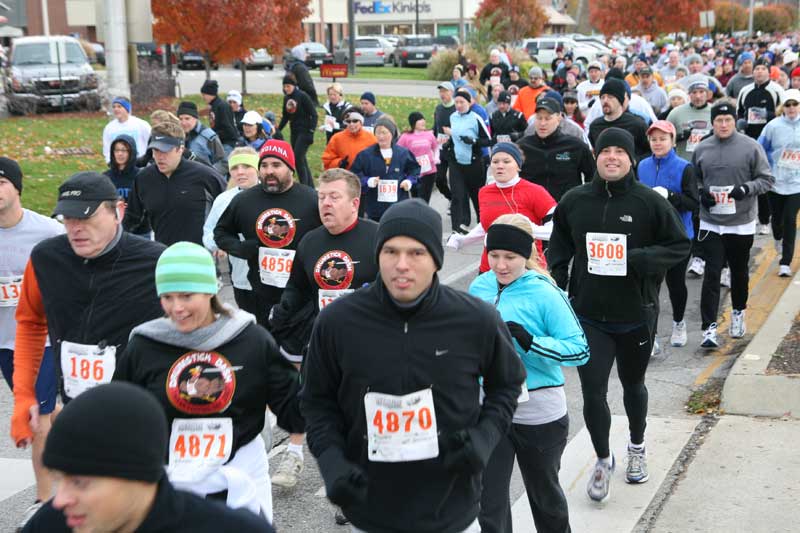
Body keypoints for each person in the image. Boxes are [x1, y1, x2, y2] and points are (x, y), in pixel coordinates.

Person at [301, 199, 526, 533]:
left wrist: (485, 437)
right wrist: (332, 461)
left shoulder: (476, 319)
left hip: (452, 510)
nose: (401, 264)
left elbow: (507, 386)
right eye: (390, 251)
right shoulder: (337, 322)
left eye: (416, 253)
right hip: (370, 512)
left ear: (436, 259)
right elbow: (316, 401)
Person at [548, 128, 690, 502]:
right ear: (596, 157)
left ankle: (637, 448)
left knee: (633, 386)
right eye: (605, 151)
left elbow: (678, 245)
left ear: (630, 159)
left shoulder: (648, 202)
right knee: (593, 392)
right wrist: (558, 280)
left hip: (635, 313)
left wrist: (639, 260)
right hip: (589, 314)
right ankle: (602, 458)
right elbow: (559, 242)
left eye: (619, 151)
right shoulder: (575, 200)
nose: (612, 157)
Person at [114, 241, 304, 520]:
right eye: (167, 297)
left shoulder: (250, 339)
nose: (177, 308)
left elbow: (292, 409)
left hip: (240, 477)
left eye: (187, 296)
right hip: (168, 479)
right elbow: (120, 414)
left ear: (211, 290)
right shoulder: (145, 345)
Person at [11, 172, 165, 450]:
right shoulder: (46, 258)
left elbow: (199, 326)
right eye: (68, 218)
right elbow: (31, 324)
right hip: (78, 405)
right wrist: (24, 396)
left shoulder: (158, 261)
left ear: (117, 211)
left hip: (142, 410)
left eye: (85, 217)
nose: (75, 228)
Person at [22, 382, 275, 533]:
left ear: (139, 475)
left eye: (79, 482)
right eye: (61, 479)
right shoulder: (50, 525)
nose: (59, 500)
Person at [470, 214, 589, 533]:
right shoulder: (479, 286)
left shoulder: (546, 293)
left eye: (510, 257)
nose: (501, 264)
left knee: (546, 500)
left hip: (538, 413)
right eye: (494, 255)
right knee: (487, 504)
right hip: (490, 410)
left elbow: (579, 350)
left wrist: (530, 341)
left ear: (527, 255)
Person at [0, 157, 65, 529]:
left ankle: (44, 502)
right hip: (4, 343)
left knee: (36, 418)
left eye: (1, 182)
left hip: (42, 340)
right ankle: (80, 444)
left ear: (16, 187)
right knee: (50, 413)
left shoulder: (45, 232)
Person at [693, 101, 774, 348]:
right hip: (711, 222)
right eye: (719, 120)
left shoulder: (751, 146)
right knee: (711, 274)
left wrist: (745, 189)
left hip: (740, 222)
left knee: (739, 273)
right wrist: (701, 194)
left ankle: (738, 311)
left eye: (728, 120)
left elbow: (767, 180)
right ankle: (709, 329)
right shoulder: (702, 148)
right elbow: (695, 179)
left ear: (735, 121)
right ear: (713, 122)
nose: (724, 125)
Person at [214, 139, 321, 329]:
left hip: (303, 295)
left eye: (276, 165)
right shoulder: (244, 200)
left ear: (291, 168)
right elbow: (221, 232)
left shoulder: (311, 200)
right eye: (264, 165)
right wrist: (239, 248)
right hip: (259, 293)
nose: (269, 171)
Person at [448, 142, 556, 272]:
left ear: (518, 166)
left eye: (506, 161)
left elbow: (557, 229)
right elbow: (486, 225)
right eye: (495, 161)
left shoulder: (535, 191)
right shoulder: (484, 192)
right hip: (489, 268)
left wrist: (529, 230)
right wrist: (464, 240)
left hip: (526, 268)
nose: (500, 166)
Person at [638, 121, 699, 349]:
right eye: (654, 139)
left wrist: (670, 196)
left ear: (672, 141)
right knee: (649, 287)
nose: (657, 143)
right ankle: (650, 334)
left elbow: (693, 202)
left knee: (675, 284)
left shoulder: (685, 167)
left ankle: (679, 323)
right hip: (651, 236)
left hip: (678, 235)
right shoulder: (642, 165)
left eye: (663, 138)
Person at [123, 121, 225, 246]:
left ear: (180, 149)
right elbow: (132, 218)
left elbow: (229, 207)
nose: (159, 157)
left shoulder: (205, 175)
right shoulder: (143, 178)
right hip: (163, 255)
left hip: (201, 254)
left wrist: (223, 241)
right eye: (155, 150)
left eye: (165, 151)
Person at [203, 147, 260, 314]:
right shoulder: (224, 200)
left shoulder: (272, 195)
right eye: (235, 168)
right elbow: (209, 233)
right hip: (241, 278)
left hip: (274, 278)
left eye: (246, 166)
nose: (240, 172)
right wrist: (223, 244)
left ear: (257, 168)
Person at [738, 58, 785, 234]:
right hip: (749, 141)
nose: (759, 71)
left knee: (767, 180)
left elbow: (784, 113)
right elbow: (739, 114)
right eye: (756, 68)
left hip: (771, 144)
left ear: (768, 71)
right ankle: (756, 217)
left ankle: (767, 219)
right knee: (749, 179)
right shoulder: (745, 91)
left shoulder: (777, 90)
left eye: (762, 68)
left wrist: (765, 114)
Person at [518, 96, 595, 202]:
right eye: (539, 118)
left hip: (566, 208)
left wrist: (584, 200)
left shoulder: (575, 146)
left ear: (559, 118)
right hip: (532, 208)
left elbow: (592, 176)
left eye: (548, 118)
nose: (542, 123)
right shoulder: (522, 146)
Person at [759, 88, 800, 277]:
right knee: (777, 219)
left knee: (790, 219)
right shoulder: (773, 126)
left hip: (797, 183)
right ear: (782, 107)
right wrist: (768, 166)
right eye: (788, 105)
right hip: (776, 181)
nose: (791, 108)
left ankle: (786, 262)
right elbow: (760, 148)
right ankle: (777, 237)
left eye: (795, 104)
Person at [353, 117, 420, 221]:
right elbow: (355, 174)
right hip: (374, 207)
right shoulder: (365, 155)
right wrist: (367, 181)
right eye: (378, 133)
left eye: (384, 132)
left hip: (398, 205)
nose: (381, 136)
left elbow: (414, 170)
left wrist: (409, 181)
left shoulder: (403, 153)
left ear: (392, 134)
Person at [447, 90, 491, 234]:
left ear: (469, 103)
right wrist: (447, 144)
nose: (458, 105)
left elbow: (488, 141)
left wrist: (474, 141)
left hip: (474, 163)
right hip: (456, 162)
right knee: (457, 195)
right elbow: (453, 136)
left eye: (462, 102)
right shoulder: (452, 117)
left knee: (476, 195)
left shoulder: (476, 118)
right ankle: (456, 228)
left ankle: (482, 224)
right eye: (456, 102)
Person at [588, 78, 650, 161]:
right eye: (602, 97)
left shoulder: (637, 124)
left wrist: (634, 161)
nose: (605, 101)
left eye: (610, 97)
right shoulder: (595, 126)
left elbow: (650, 152)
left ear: (620, 100)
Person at [103, 133, 150, 237]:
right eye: (117, 150)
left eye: (124, 150)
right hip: (113, 230)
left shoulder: (141, 176)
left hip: (140, 232)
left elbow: (147, 206)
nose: (120, 154)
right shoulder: (106, 177)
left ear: (131, 152)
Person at [277, 76, 318, 189]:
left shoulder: (302, 96)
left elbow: (314, 114)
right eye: (284, 86)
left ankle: (303, 186)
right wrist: (277, 129)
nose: (286, 88)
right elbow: (285, 117)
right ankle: (310, 186)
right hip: (294, 131)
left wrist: (311, 131)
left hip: (305, 131)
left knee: (297, 157)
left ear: (294, 86)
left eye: (288, 86)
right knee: (301, 159)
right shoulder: (286, 99)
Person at [176, 101, 228, 176]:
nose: (183, 123)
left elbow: (224, 163)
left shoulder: (209, 136)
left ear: (196, 118)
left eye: (187, 119)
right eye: (181, 119)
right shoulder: (177, 136)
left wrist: (209, 175)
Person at [397, 111, 439, 202]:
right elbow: (398, 151)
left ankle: (423, 215)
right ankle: (416, 215)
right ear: (413, 123)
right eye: (420, 119)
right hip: (413, 172)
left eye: (423, 119)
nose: (423, 121)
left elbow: (436, 147)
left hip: (429, 171)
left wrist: (436, 158)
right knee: (416, 198)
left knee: (425, 198)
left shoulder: (429, 134)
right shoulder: (405, 137)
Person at [667, 80, 712, 161]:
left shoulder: (714, 111)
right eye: (694, 92)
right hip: (684, 163)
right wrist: (680, 137)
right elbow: (664, 137)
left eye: (701, 92)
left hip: (708, 162)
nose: (698, 96)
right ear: (689, 95)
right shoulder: (676, 112)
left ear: (707, 94)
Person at [322, 107, 378, 171]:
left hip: (364, 177)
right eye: (348, 121)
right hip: (343, 176)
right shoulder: (337, 138)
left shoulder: (371, 139)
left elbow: (378, 162)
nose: (351, 124)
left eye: (355, 121)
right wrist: (339, 163)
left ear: (361, 122)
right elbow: (327, 161)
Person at [101, 96, 151, 163]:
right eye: (114, 107)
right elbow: (107, 148)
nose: (116, 109)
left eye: (119, 106)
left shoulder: (141, 125)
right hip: (118, 166)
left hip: (139, 165)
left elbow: (151, 143)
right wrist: (109, 162)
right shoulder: (109, 128)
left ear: (127, 109)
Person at [200, 79, 239, 154]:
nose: (203, 97)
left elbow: (228, 130)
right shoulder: (214, 106)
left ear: (211, 94)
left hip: (227, 144)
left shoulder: (222, 106)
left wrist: (213, 135)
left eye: (204, 94)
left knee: (217, 165)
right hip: (219, 143)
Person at [432, 82, 456, 202]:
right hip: (440, 150)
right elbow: (435, 127)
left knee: (454, 180)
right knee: (439, 179)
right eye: (441, 92)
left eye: (445, 91)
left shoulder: (456, 108)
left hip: (454, 150)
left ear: (451, 92)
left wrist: (452, 134)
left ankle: (457, 203)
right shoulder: (438, 108)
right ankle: (451, 198)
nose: (442, 94)